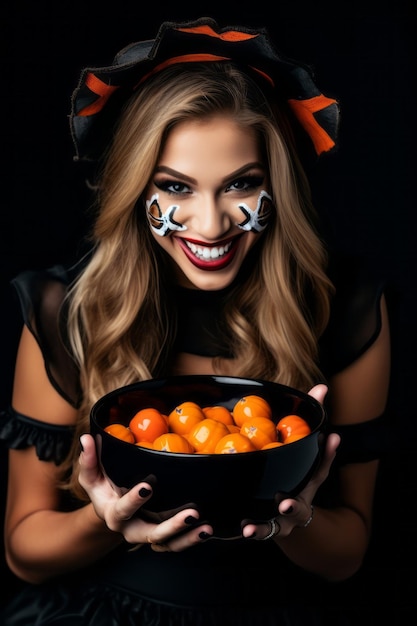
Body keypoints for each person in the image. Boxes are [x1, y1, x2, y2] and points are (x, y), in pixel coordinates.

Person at [0, 16, 390, 626]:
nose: (210, 227)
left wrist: (292, 522)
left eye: (241, 184)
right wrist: (110, 523)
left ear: (275, 186)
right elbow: (24, 553)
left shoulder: (345, 306)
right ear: (136, 190)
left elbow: (348, 556)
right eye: (175, 188)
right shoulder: (66, 311)